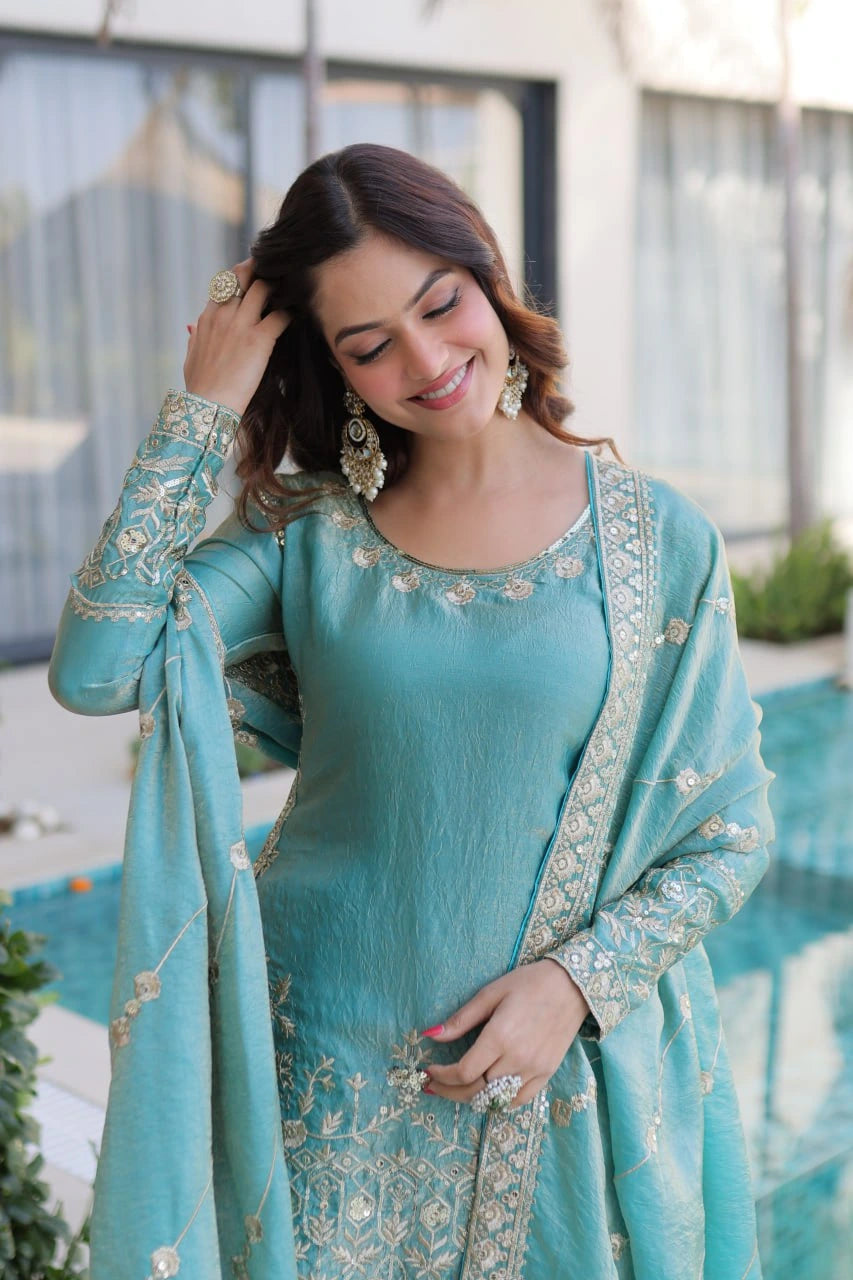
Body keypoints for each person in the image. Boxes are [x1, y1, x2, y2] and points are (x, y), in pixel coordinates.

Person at [48, 143, 775, 1280]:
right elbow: (98, 665)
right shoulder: (306, 536)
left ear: (485, 273)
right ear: (330, 367)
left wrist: (573, 985)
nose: (429, 360)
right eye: (369, 344)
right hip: (323, 1074)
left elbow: (727, 835)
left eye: (441, 304)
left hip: (554, 1081)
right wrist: (203, 403)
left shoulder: (654, 541)